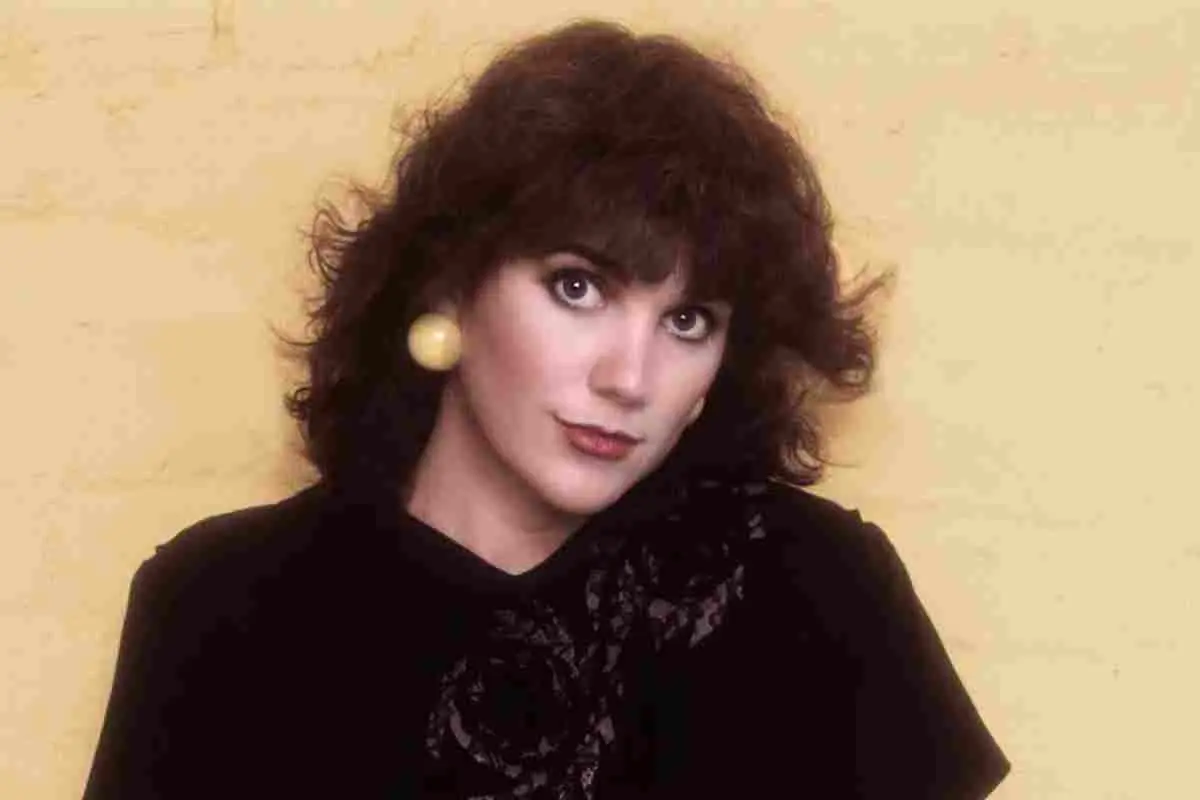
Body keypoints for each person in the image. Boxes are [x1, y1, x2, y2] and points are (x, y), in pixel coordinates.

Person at [82, 20, 1010, 800]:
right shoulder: (222, 608)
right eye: (578, 288)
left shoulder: (817, 591)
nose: (630, 376)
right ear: (451, 285)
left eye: (688, 319)